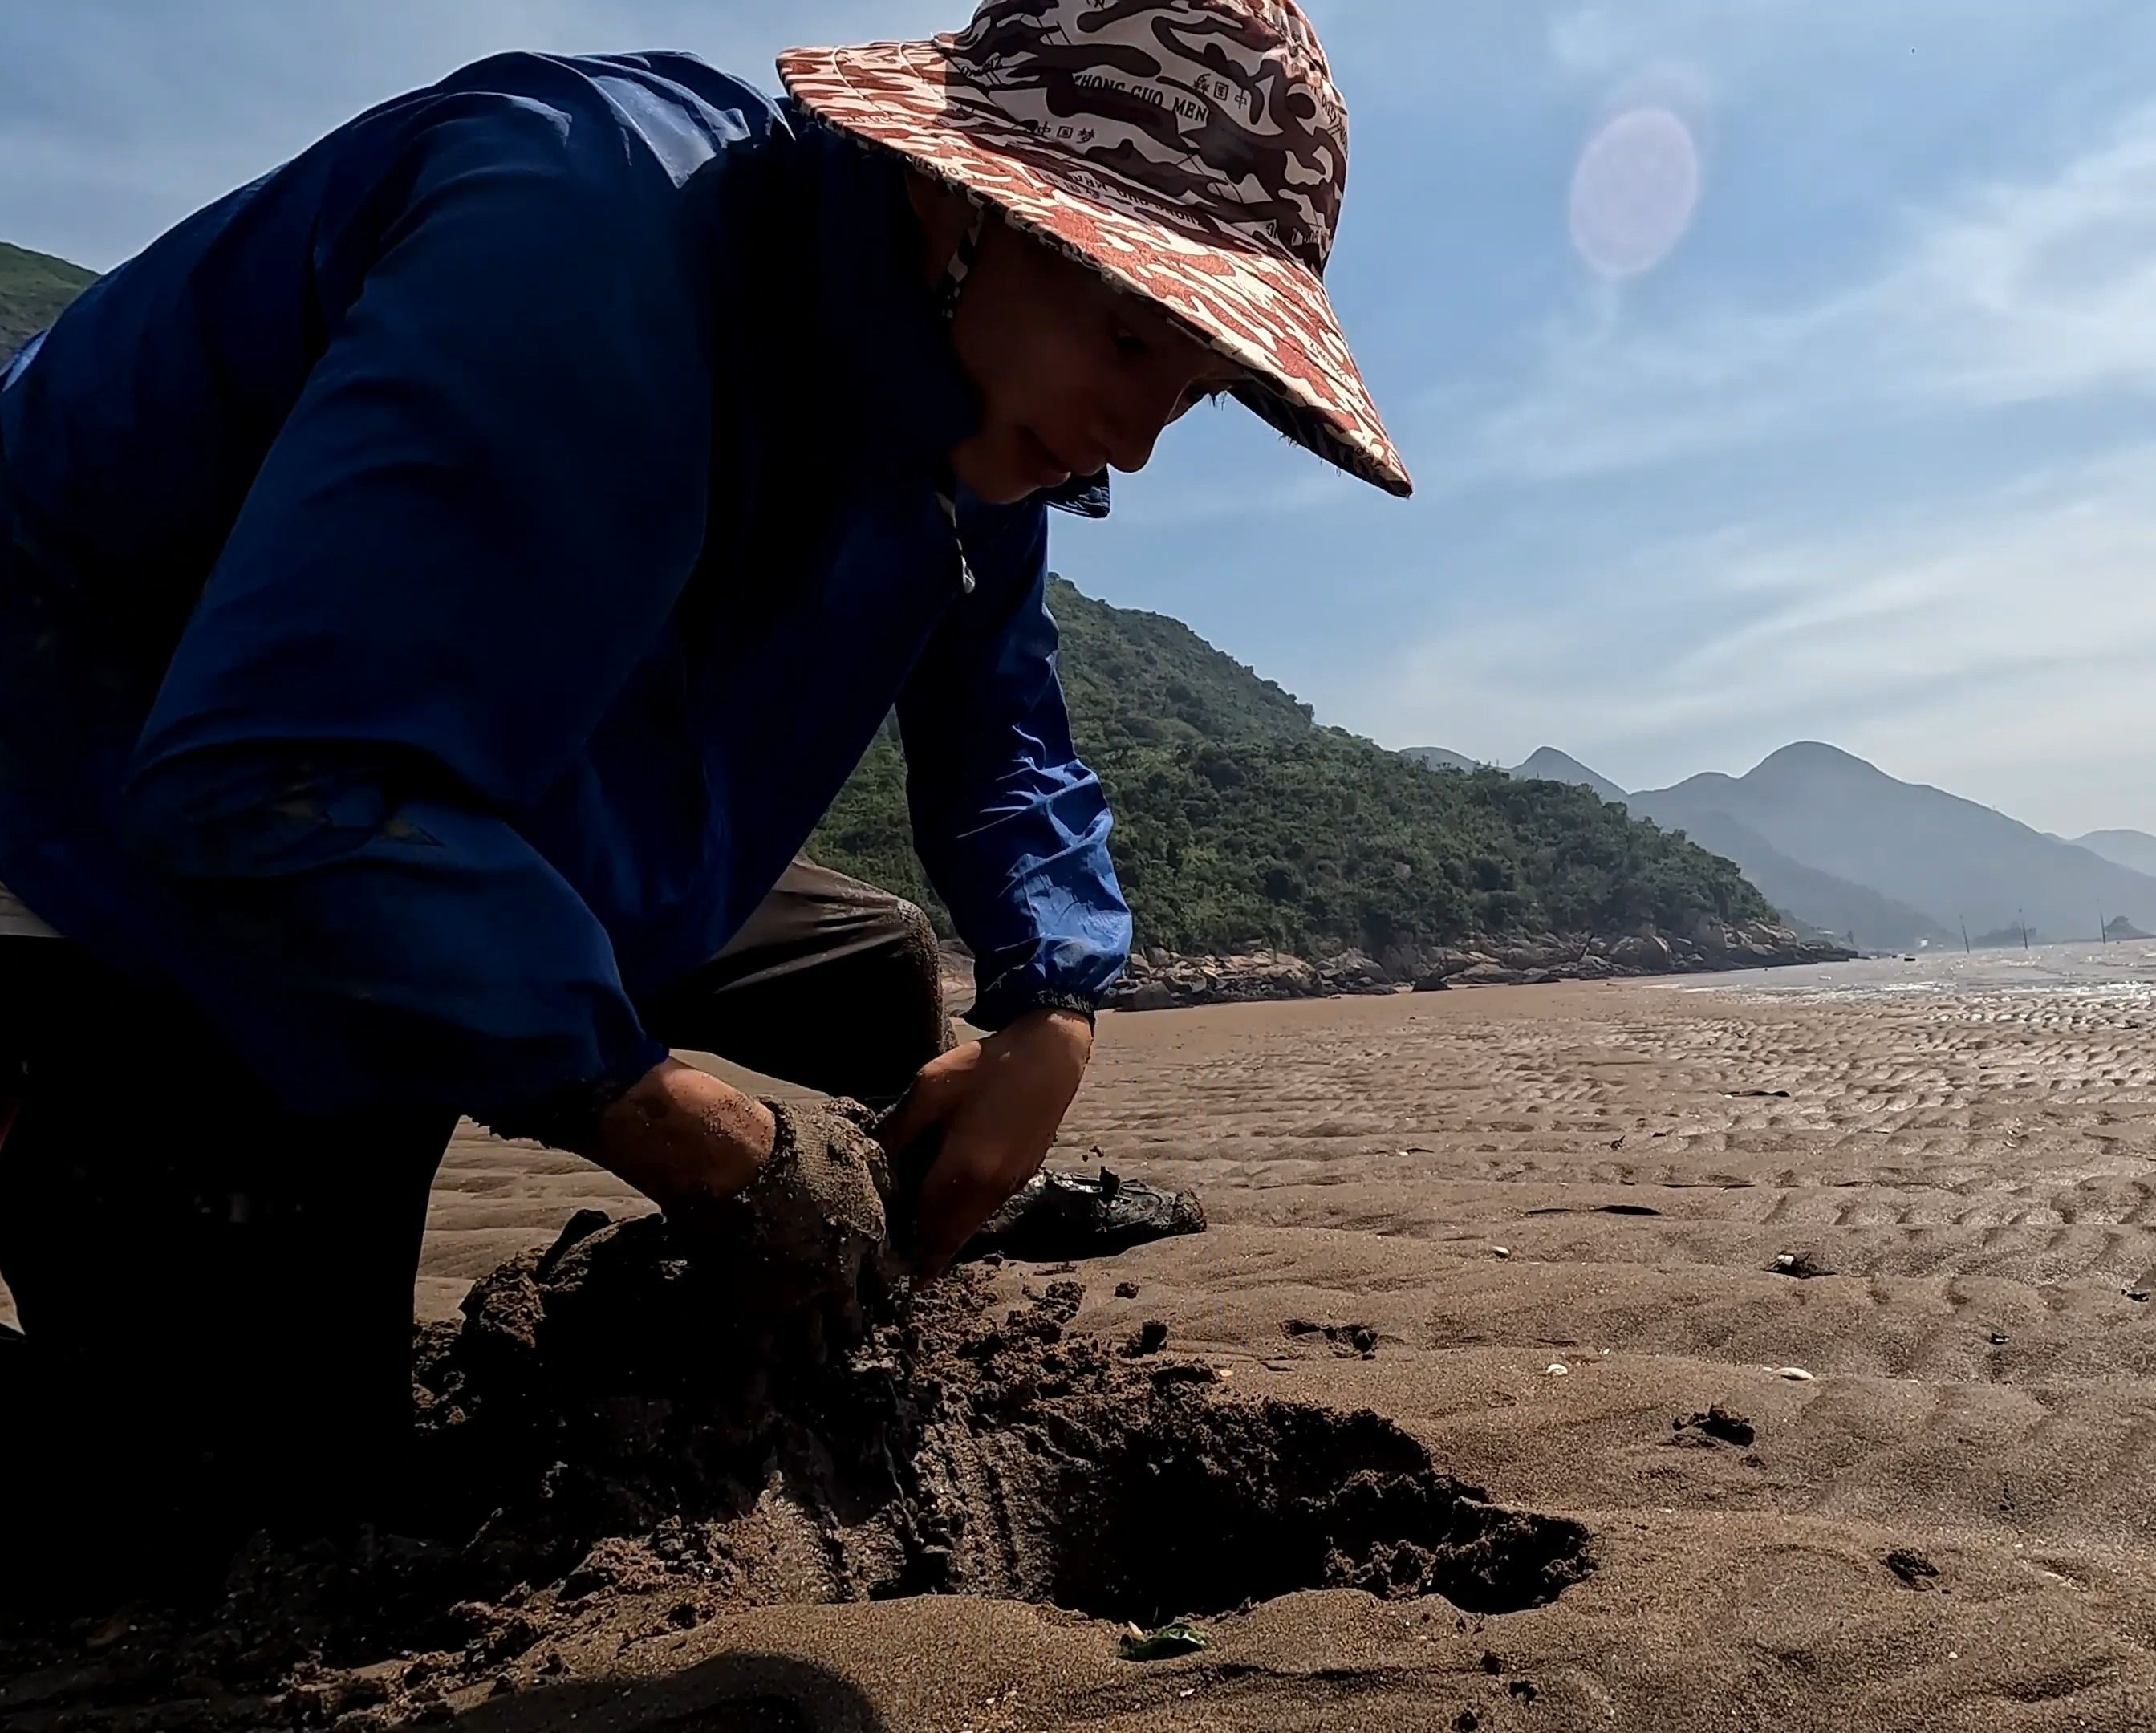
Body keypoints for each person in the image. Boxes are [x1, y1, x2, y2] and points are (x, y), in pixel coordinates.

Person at [0, 0, 1407, 1588]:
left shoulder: (954, 404)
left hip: (506, 785)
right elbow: (274, 779)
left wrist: (1054, 1007)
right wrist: (676, 1126)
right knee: (271, 1522)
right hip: (116, 804)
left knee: (874, 973)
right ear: (960, 202)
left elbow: (1000, 719)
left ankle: (827, 1285)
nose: (1138, 448)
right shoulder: (581, 246)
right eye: (1137, 342)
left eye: (1199, 385)